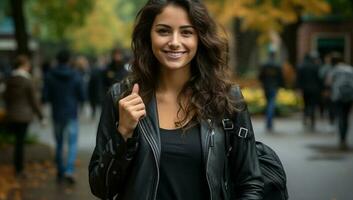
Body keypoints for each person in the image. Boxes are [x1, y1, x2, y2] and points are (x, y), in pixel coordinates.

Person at [89, 0, 264, 199]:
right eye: (163, 31)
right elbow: (101, 188)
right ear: (148, 35)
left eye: (186, 32)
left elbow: (250, 184)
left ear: (200, 38)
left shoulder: (227, 100)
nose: (174, 41)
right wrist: (124, 133)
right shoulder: (122, 98)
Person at [43, 49, 85, 184]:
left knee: (59, 143)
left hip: (57, 113)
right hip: (71, 113)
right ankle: (69, 170)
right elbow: (82, 95)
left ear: (57, 60)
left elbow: (45, 96)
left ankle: (60, 170)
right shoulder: (75, 75)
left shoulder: (50, 75)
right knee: (72, 143)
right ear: (68, 60)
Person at [4, 55, 43, 177]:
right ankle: (19, 169)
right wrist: (41, 116)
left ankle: (17, 167)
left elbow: (5, 96)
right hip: (24, 116)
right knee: (20, 143)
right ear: (24, 65)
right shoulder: (27, 81)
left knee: (17, 142)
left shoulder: (10, 79)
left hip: (11, 115)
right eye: (28, 65)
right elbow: (34, 101)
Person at [326, 52, 353, 150]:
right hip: (349, 96)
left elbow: (328, 82)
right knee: (346, 117)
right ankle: (345, 137)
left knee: (340, 116)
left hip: (338, 96)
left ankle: (341, 138)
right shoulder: (350, 69)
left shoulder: (334, 70)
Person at [258, 51, 283, 132]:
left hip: (266, 87)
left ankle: (268, 122)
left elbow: (260, 76)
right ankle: (270, 122)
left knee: (269, 103)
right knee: (271, 104)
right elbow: (280, 77)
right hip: (274, 87)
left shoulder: (265, 65)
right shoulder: (277, 66)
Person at [296, 53, 321, 131]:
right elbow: (319, 79)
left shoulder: (301, 67)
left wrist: (298, 89)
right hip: (314, 89)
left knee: (306, 104)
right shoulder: (315, 67)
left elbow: (299, 79)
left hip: (305, 89)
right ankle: (312, 120)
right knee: (313, 105)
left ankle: (305, 118)